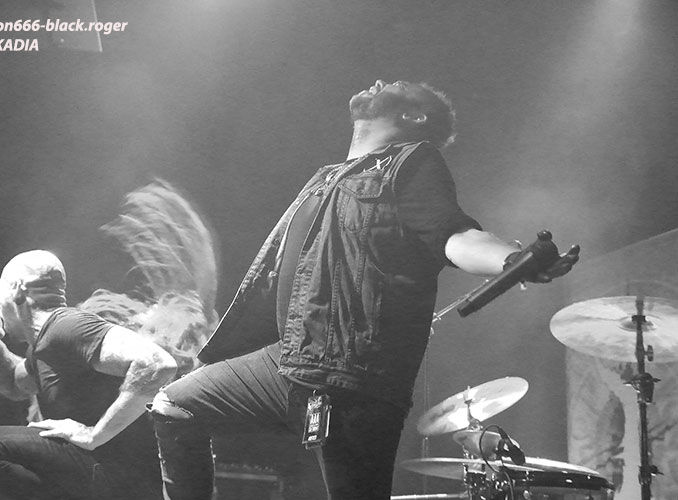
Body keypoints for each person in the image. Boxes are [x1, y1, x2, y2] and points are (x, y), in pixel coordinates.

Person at [148, 79, 581, 500]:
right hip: (288, 360)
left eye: (393, 86)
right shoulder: (325, 179)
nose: (376, 82)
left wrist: (512, 260)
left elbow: (452, 234)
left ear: (414, 115)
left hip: (350, 377)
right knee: (174, 405)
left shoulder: (412, 161)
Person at [0, 250, 178, 500]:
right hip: (104, 473)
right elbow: (13, 384)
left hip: (123, 476)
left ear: (17, 289)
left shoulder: (68, 327)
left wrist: (93, 434)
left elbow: (156, 364)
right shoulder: (44, 346)